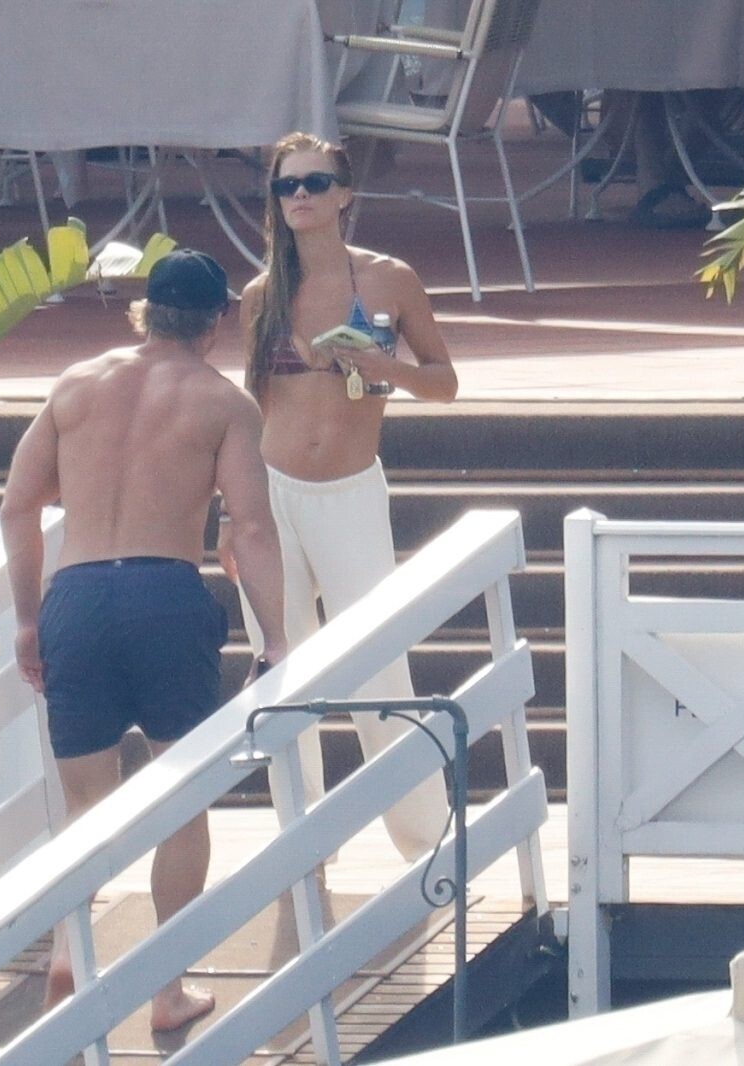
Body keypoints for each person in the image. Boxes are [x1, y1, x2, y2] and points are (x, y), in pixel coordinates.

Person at [0, 249, 289, 1031]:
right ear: (216, 321)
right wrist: (276, 637)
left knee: (86, 802)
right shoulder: (224, 403)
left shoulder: (76, 384)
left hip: (79, 596)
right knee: (182, 796)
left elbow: (18, 506)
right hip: (164, 593)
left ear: (145, 310)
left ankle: (70, 947)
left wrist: (28, 617)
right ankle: (165, 990)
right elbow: (252, 527)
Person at [219, 131, 454, 866]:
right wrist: (233, 512)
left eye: (314, 183)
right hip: (273, 492)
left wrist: (386, 366)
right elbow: (252, 408)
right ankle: (302, 846)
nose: (299, 196)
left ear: (344, 194)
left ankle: (426, 843)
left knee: (379, 665)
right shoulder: (262, 294)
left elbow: (444, 381)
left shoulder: (389, 280)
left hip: (350, 491)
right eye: (285, 186)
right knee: (282, 667)